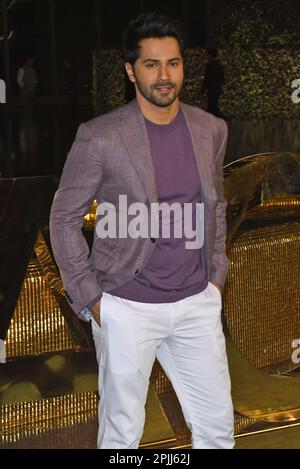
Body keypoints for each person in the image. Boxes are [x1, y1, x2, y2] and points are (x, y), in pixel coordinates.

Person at [49, 12, 234, 449]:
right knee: (122, 436)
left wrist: (216, 278)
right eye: (151, 64)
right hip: (126, 306)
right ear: (131, 70)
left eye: (173, 63)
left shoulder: (211, 129)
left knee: (217, 430)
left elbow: (216, 205)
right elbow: (62, 218)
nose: (164, 75)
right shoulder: (101, 137)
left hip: (196, 303)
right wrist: (93, 300)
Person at [201, 47, 226, 119]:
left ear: (210, 55)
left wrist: (203, 88)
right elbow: (222, 78)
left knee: (212, 104)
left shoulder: (209, 66)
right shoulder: (219, 65)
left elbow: (207, 78)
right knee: (213, 104)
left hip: (211, 88)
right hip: (217, 88)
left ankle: (217, 117)